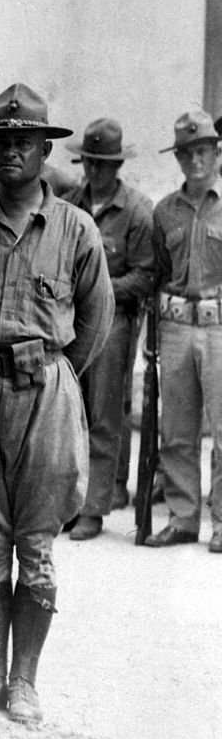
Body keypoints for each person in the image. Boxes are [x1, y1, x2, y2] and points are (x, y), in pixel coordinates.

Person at [0, 83, 112, 724]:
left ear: (43, 150)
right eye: (1, 141)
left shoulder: (74, 229)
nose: (10, 152)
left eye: (24, 142)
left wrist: (54, 372)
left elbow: (95, 319)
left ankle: (26, 682)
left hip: (45, 395)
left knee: (35, 542)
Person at [64, 118, 154, 541]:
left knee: (103, 414)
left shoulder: (136, 209)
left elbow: (145, 275)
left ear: (117, 165)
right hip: (68, 322)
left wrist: (99, 289)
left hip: (113, 322)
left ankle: (94, 508)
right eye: (89, 162)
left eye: (103, 164)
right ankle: (68, 501)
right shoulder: (69, 204)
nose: (95, 171)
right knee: (67, 413)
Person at [148, 107, 222, 552]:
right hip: (175, 326)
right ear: (178, 159)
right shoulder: (164, 212)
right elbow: (158, 272)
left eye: (203, 151)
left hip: (219, 327)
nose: (195, 160)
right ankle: (182, 517)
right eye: (186, 153)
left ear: (216, 154)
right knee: (176, 431)